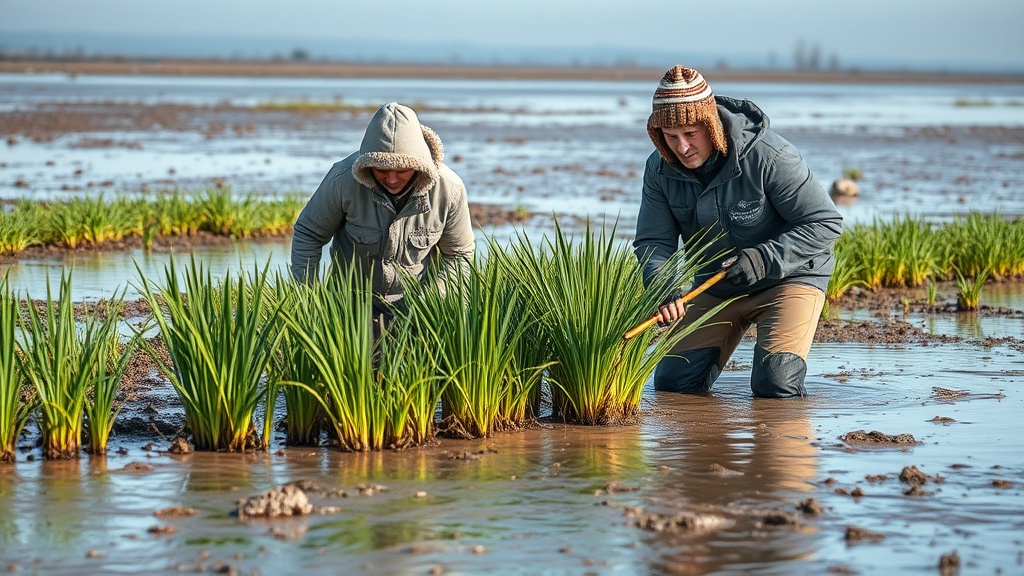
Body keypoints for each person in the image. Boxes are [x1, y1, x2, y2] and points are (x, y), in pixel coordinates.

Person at [634, 65, 843, 398]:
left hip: (789, 279)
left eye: (690, 133)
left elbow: (824, 223)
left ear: (710, 125)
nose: (682, 147)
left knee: (775, 384)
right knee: (674, 384)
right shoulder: (659, 170)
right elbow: (654, 241)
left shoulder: (769, 155)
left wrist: (762, 260)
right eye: (670, 137)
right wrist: (664, 287)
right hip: (716, 287)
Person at [290, 102, 475, 320]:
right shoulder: (342, 181)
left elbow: (460, 255)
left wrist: (431, 303)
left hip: (418, 307)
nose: (392, 179)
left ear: (419, 165)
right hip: (350, 307)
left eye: (402, 170)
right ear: (368, 164)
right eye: (382, 170)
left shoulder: (449, 189)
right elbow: (308, 234)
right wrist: (309, 299)